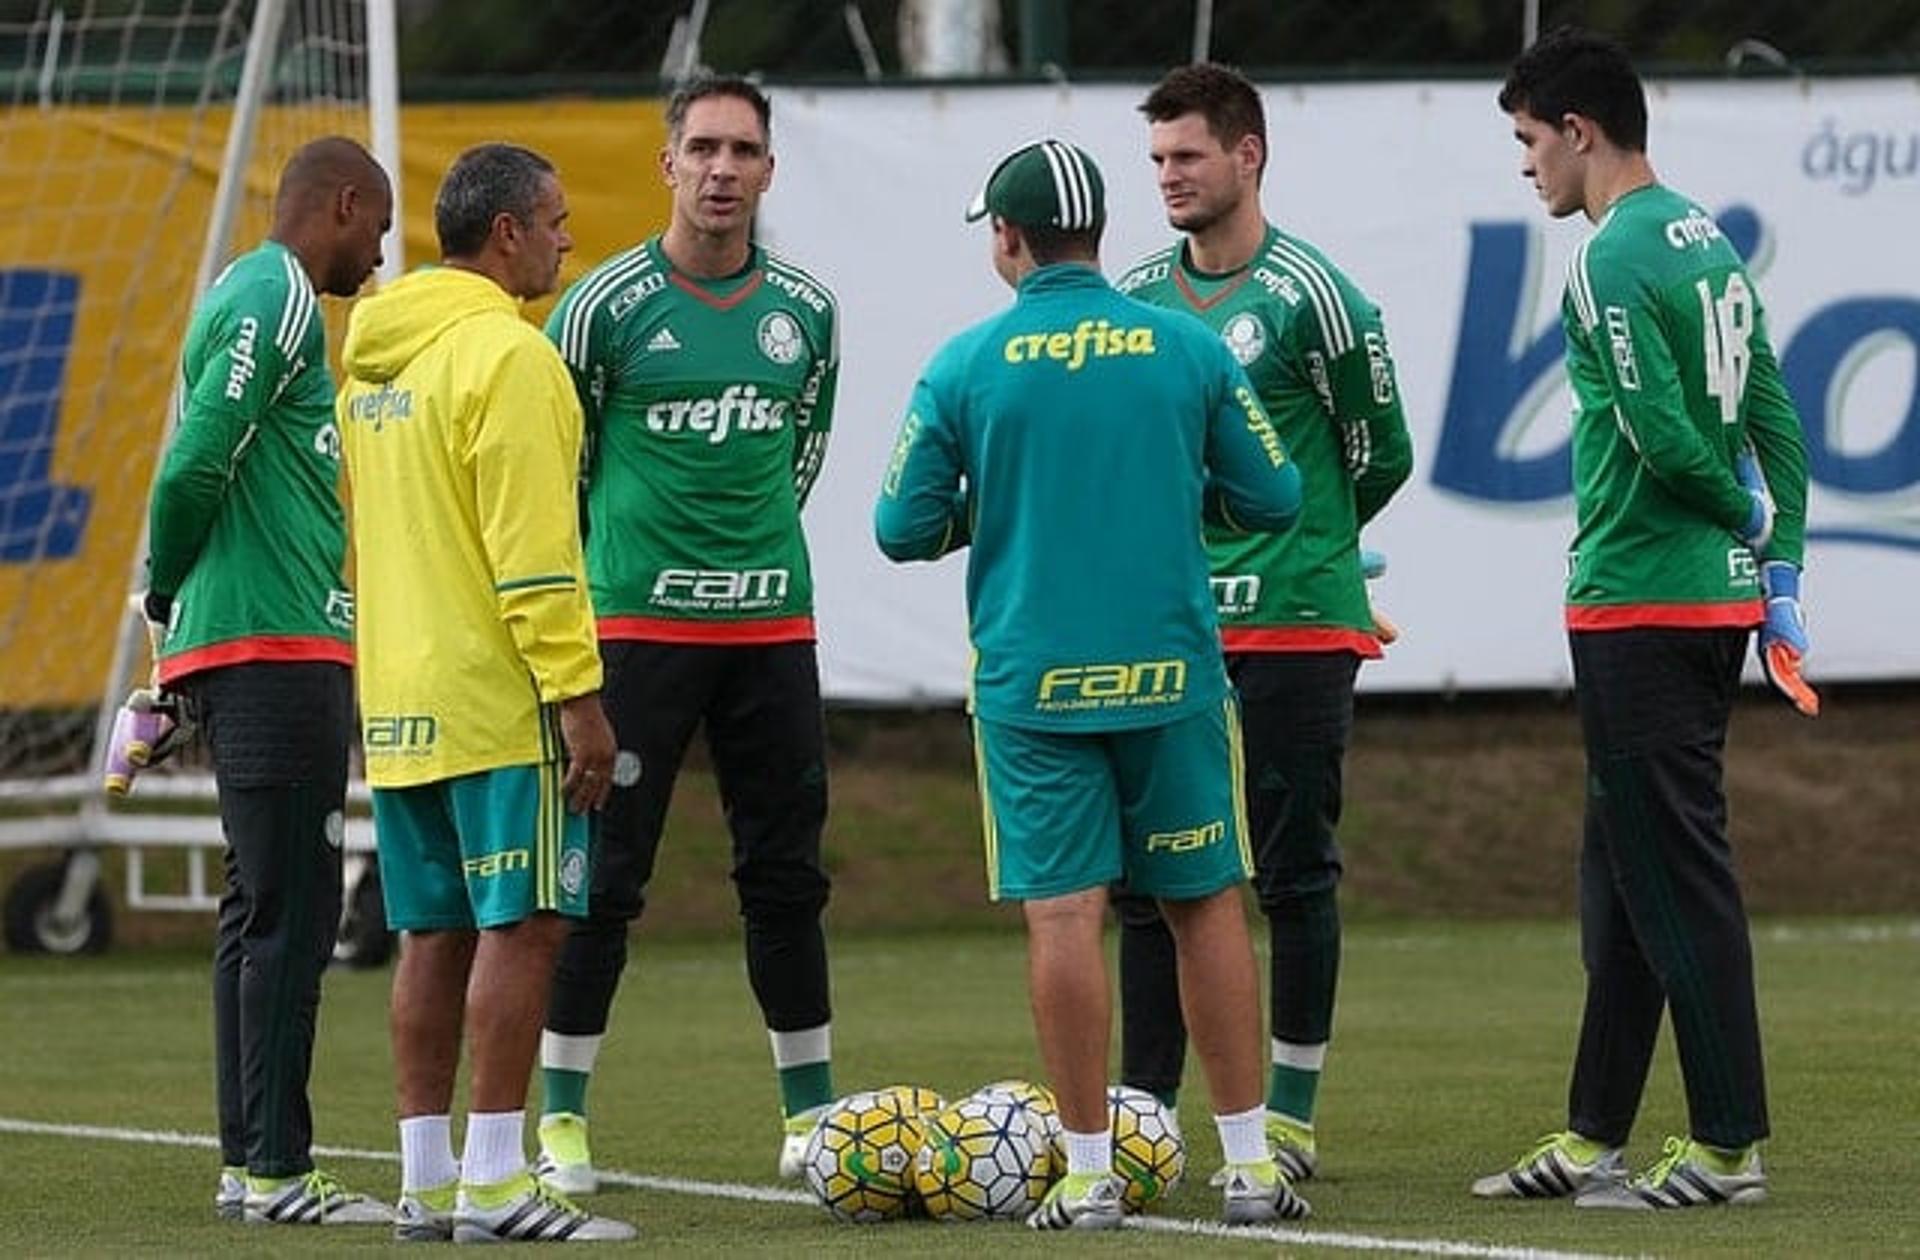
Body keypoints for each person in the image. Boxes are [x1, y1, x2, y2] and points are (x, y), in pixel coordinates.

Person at [876, 137, 1312, 1230]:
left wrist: (1003, 505)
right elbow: (1277, 496)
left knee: (1065, 914)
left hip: (1034, 688)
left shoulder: (965, 363)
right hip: (1173, 673)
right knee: (1204, 903)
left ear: (1008, 238)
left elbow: (899, 528)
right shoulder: (1189, 348)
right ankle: (1253, 1165)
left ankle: (1085, 1172)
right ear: (1102, 235)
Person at [1473, 27, 1815, 1210]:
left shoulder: (1610, 255)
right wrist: (1782, 563)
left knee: (1674, 878)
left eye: (1528, 139)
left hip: (1642, 598)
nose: (1524, 165)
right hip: (1702, 598)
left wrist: (1745, 515)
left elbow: (1670, 438)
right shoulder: (1704, 238)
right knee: (1620, 882)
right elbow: (1775, 407)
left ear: (1578, 129)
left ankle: (1728, 1144)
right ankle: (1592, 1135)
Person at [534, 74, 841, 1190]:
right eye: (702, 148)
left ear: (769, 169)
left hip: (771, 632)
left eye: (743, 151)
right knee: (602, 875)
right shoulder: (602, 307)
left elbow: (798, 457)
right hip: (633, 636)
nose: (721, 169)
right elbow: (560, 483)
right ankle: (561, 1116)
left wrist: (740, 572)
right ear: (668, 165)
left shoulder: (806, 311)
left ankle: (811, 1118)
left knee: (786, 875)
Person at [1111, 62, 1414, 1184]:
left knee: (1293, 873)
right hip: (1173, 630)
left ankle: (1287, 1112)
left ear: (1248, 155)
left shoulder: (1315, 297)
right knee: (1154, 877)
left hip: (1292, 620)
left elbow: (1382, 450)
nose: (1169, 179)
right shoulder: (1138, 297)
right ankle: (1143, 1116)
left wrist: (1314, 544)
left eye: (1187, 156)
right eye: (1156, 161)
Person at [337, 142, 634, 1244]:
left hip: (403, 698)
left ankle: (427, 1180)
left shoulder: (377, 360)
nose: (567, 237)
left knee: (431, 933)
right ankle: (499, 1183)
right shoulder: (510, 361)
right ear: (505, 232)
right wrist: (579, 695)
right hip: (499, 697)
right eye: (555, 219)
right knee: (528, 925)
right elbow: (535, 552)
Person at [140, 135, 393, 1227]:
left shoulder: (256, 294)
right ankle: (283, 1169)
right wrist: (164, 587)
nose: (376, 258)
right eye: (376, 229)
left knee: (257, 910)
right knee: (291, 909)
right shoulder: (277, 294)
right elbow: (197, 457)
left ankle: (251, 1165)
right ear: (340, 206)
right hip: (273, 644)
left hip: (250, 641)